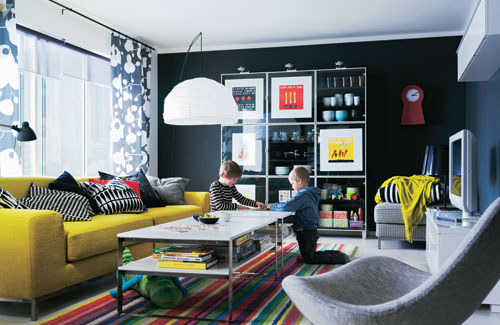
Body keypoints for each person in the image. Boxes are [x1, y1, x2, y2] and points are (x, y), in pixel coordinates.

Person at [268, 166, 350, 264]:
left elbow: (287, 206)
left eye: (292, 184)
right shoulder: (308, 194)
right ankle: (337, 254)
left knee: (311, 258)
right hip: (307, 231)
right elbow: (290, 205)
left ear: (299, 181)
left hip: (306, 232)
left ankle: (340, 258)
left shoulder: (303, 195)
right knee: (309, 254)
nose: (292, 187)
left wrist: (272, 206)